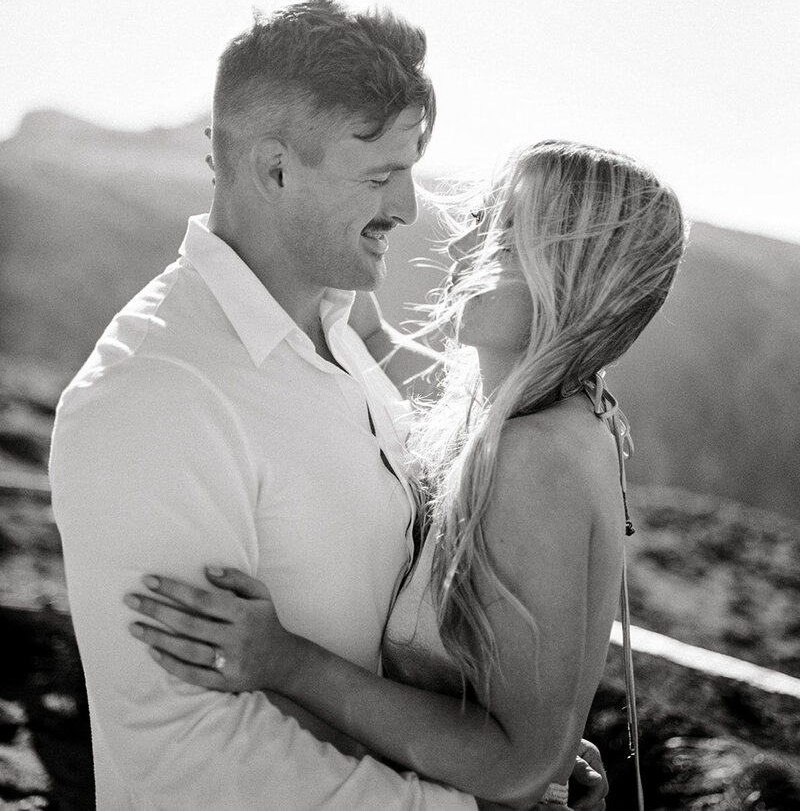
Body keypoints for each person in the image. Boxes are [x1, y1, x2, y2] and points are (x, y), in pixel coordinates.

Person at [49, 0, 606, 810]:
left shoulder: (339, 333)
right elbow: (190, 754)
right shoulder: (150, 398)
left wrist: (503, 751)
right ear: (276, 169)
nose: (409, 209)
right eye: (382, 176)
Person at [122, 139, 687, 809]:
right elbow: (378, 349)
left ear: (580, 276)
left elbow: (517, 764)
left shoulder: (533, 458)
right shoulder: (571, 410)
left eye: (503, 239)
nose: (458, 251)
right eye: (479, 220)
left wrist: (284, 660)